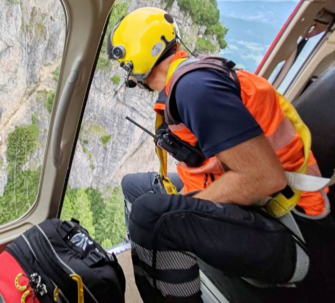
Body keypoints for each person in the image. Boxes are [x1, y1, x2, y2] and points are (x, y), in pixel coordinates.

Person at [106, 7, 331, 303]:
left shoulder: (194, 89)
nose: (127, 72)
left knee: (152, 216)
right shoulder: (188, 81)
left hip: (291, 226)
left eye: (125, 63)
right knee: (134, 186)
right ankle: (156, 260)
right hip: (263, 208)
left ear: (136, 57)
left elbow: (264, 177)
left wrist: (186, 206)